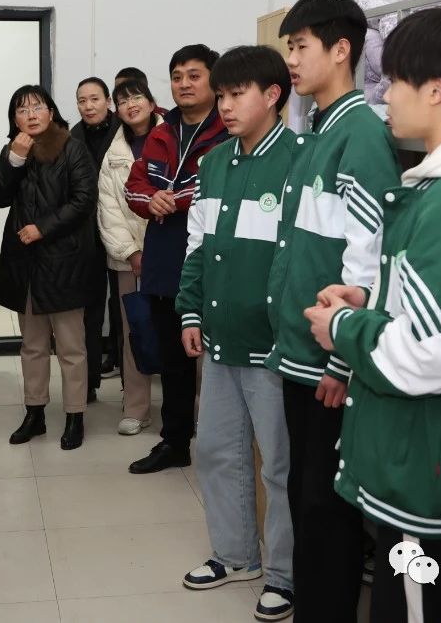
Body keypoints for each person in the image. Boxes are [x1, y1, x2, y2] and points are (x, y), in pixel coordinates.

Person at [304, 7, 441, 622]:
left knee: (415, 606)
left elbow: (430, 354)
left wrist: (342, 328)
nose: (385, 97)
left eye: (396, 81)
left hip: (427, 464)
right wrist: (371, 302)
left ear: (436, 91)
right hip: (428, 456)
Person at [265, 0, 400, 623]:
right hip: (302, 351)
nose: (291, 59)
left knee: (324, 505)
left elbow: (368, 261)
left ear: (341, 50)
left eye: (300, 46)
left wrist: (344, 359)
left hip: (329, 358)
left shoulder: (361, 135)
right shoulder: (317, 131)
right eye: (288, 47)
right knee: (306, 493)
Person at [177, 46, 299, 622]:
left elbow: (302, 260)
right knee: (217, 451)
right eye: (220, 95)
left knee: (279, 464)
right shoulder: (214, 163)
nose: (224, 106)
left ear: (272, 95)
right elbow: (198, 245)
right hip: (221, 334)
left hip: (272, 343)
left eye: (236, 94)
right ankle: (235, 555)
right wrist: (190, 312)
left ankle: (285, 574)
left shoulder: (300, 161)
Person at [125, 44, 228, 474]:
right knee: (173, 359)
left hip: (214, 258)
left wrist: (174, 199)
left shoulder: (227, 128)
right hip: (166, 257)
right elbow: (133, 187)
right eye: (177, 76)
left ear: (214, 81)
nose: (184, 84)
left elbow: (217, 184)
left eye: (194, 75)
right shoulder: (161, 131)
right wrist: (153, 200)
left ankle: (225, 446)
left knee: (220, 360)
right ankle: (175, 441)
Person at [0, 85, 99, 451]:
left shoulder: (72, 147)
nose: (31, 115)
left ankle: (75, 416)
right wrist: (14, 160)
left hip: (64, 261)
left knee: (71, 347)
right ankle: (34, 413)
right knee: (32, 346)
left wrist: (44, 228)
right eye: (22, 110)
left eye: (37, 107)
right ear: (14, 119)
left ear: (51, 112)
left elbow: (84, 199)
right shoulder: (14, 150)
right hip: (25, 264)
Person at [98, 78, 165, 435]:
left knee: (184, 330)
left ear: (152, 103)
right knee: (134, 332)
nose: (131, 104)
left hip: (174, 254)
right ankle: (137, 408)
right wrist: (132, 252)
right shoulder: (114, 153)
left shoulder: (172, 139)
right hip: (131, 260)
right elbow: (108, 208)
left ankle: (194, 406)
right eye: (123, 101)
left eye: (137, 97)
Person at [71, 77, 123, 395]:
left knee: (123, 308)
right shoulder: (72, 137)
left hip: (121, 231)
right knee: (89, 310)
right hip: (85, 235)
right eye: (82, 100)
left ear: (108, 101)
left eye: (94, 99)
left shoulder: (124, 130)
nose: (88, 106)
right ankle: (88, 382)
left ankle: (128, 379)